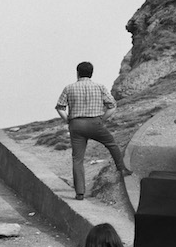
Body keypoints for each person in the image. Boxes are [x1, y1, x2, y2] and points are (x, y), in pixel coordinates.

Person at [56, 62, 132, 201]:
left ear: (77, 73)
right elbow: (112, 106)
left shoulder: (69, 88)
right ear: (92, 73)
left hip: (76, 125)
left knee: (77, 159)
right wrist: (103, 119)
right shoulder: (100, 87)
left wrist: (68, 120)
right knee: (111, 144)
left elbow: (60, 107)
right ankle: (122, 169)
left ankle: (80, 193)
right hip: (95, 123)